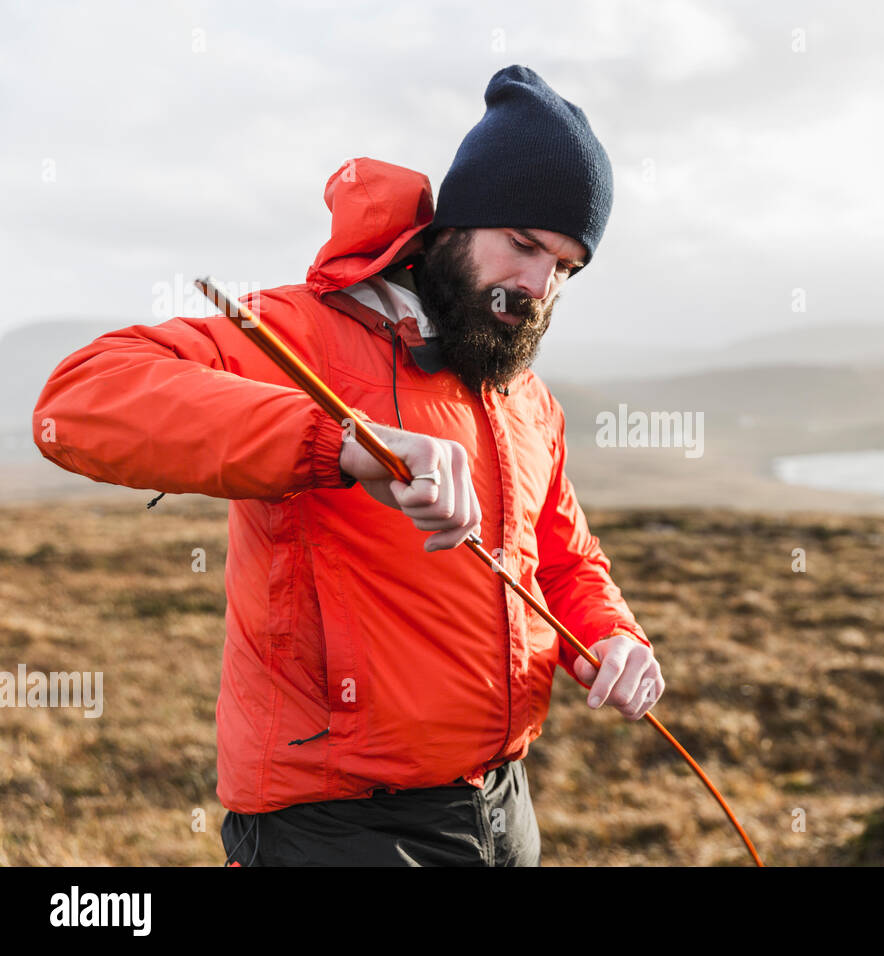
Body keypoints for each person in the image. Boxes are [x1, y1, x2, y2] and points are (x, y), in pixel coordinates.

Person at [31, 65, 663, 866]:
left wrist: (610, 639)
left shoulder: (522, 395)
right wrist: (341, 440)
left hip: (504, 812)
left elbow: (562, 560)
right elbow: (80, 400)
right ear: (452, 229)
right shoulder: (300, 335)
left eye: (566, 269)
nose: (536, 288)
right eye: (524, 245)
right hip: (335, 829)